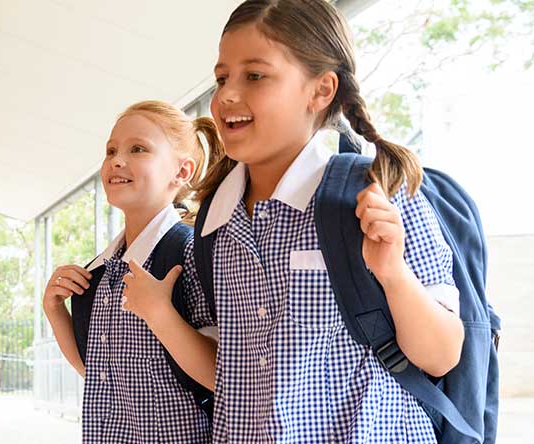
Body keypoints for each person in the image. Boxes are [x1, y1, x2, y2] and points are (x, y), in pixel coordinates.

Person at [127, 1, 464, 442]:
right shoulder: (212, 224)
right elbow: (224, 376)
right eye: (222, 77)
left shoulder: (381, 190)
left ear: (321, 90)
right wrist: (159, 315)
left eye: (255, 75)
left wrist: (392, 273)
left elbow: (441, 356)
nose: (227, 95)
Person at [42, 100, 222, 443]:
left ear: (182, 172)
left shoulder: (190, 253)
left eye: (138, 149)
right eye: (111, 151)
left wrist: (159, 313)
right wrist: (55, 311)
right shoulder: (104, 268)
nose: (116, 160)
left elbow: (220, 376)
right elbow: (97, 372)